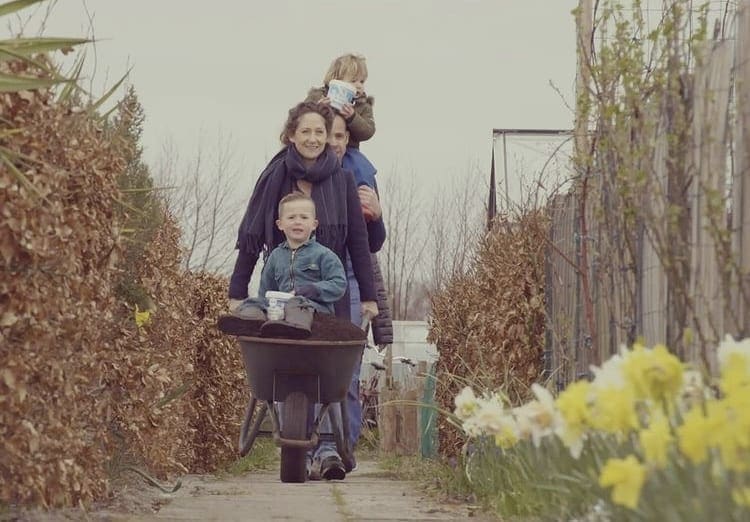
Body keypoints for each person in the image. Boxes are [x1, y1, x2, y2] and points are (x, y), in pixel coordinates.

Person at [227, 101, 378, 481]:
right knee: (290, 357)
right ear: (291, 135)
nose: (312, 138)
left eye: (319, 132)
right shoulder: (275, 176)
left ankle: (329, 449)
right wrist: (238, 289)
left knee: (337, 373)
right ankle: (304, 444)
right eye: (305, 132)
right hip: (284, 288)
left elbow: (358, 242)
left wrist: (372, 297)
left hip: (329, 292)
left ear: (329, 138)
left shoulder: (342, 179)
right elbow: (252, 233)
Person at [328, 114, 393, 472]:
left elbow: (374, 243)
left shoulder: (360, 176)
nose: (335, 142)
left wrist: (378, 216)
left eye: (341, 136)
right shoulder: (305, 179)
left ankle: (342, 448)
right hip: (312, 276)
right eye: (329, 136)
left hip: (351, 272)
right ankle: (311, 445)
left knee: (347, 369)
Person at [217, 191, 347, 339]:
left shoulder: (324, 255)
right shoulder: (276, 256)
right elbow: (266, 290)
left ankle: (295, 329)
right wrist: (264, 305)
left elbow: (339, 284)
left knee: (297, 303)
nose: (297, 221)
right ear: (280, 224)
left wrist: (314, 289)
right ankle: (250, 323)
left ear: (314, 224)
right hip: (280, 307)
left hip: (313, 308)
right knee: (253, 302)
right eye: (291, 217)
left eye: (304, 217)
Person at [307, 53, 377, 191]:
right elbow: (300, 116)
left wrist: (352, 117)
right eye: (353, 81)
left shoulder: (363, 106)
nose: (358, 86)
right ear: (336, 80)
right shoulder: (318, 96)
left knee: (362, 167)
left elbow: (368, 131)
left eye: (362, 82)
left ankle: (363, 195)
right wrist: (318, 109)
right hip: (318, 146)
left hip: (349, 150)